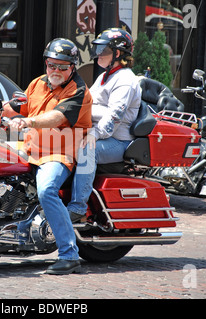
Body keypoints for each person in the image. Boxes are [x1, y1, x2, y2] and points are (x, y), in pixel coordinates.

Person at [3, 38, 92, 275]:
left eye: (63, 66)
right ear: (46, 63)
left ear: (72, 67)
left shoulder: (78, 90)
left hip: (59, 153)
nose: (56, 70)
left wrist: (28, 121)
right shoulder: (37, 84)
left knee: (46, 189)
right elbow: (18, 107)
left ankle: (69, 254)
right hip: (30, 149)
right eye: (52, 65)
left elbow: (56, 117)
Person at [67, 28, 141, 222]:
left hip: (117, 140)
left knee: (86, 150)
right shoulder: (104, 76)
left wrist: (94, 134)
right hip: (98, 132)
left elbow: (114, 116)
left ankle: (77, 208)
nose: (98, 55)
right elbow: (86, 102)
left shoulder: (125, 79)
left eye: (104, 51)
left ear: (118, 54)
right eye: (98, 50)